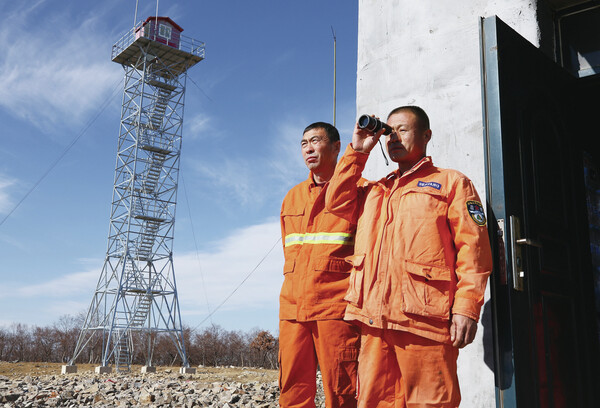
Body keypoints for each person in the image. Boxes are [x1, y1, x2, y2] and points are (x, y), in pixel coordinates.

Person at [325, 106, 492, 407]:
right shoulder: (374, 190)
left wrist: (466, 309)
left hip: (425, 323)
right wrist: (358, 151)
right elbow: (335, 201)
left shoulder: (452, 183)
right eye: (389, 131)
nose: (393, 137)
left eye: (403, 129)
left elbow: (475, 251)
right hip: (374, 323)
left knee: (432, 403)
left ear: (426, 135)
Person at [279, 122, 361, 408]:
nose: (309, 148)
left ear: (337, 147)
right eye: (303, 143)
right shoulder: (292, 196)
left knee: (342, 389)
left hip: (334, 305)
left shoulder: (359, 192)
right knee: (292, 389)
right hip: (292, 307)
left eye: (316, 141)